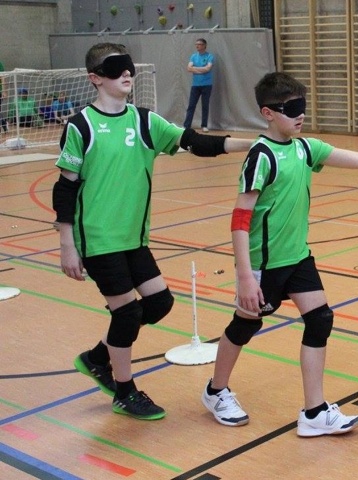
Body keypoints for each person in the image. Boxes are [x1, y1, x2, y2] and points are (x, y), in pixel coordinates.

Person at [200, 72, 358, 435]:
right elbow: (241, 218)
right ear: (268, 113)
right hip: (263, 263)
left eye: (302, 106)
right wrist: (244, 276)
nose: (300, 114)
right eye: (291, 108)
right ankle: (216, 391)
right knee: (245, 325)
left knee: (320, 320)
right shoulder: (260, 156)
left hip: (297, 257)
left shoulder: (305, 149)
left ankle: (314, 412)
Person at [54, 43, 253, 420]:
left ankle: (98, 357)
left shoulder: (144, 121)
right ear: (95, 78)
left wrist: (252, 143)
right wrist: (67, 243)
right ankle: (124, 391)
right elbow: (65, 187)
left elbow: (195, 142)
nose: (126, 74)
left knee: (159, 303)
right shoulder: (81, 126)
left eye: (128, 67)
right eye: (115, 69)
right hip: (97, 238)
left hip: (134, 238)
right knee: (127, 314)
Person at [183, 38, 214, 132]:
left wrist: (195, 69)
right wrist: (202, 69)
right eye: (196, 44)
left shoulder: (210, 56)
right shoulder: (193, 56)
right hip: (195, 85)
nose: (197, 46)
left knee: (205, 105)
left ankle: (204, 125)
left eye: (199, 44)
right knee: (191, 105)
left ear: (204, 45)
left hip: (207, 85)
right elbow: (189, 68)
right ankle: (186, 126)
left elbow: (208, 69)